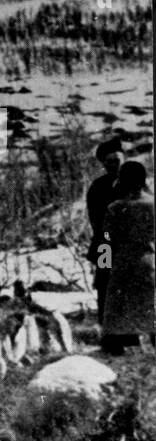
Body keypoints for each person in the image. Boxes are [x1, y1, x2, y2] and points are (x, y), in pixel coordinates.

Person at [100, 160, 154, 354]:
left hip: (124, 263)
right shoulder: (153, 205)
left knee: (118, 313)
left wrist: (103, 266)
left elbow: (106, 240)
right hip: (150, 261)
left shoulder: (115, 208)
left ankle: (118, 347)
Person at [87, 136, 124, 323]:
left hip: (130, 244)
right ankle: (107, 330)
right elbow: (96, 220)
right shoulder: (97, 187)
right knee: (105, 286)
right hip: (105, 244)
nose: (113, 165)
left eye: (117, 161)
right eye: (109, 162)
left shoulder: (136, 185)